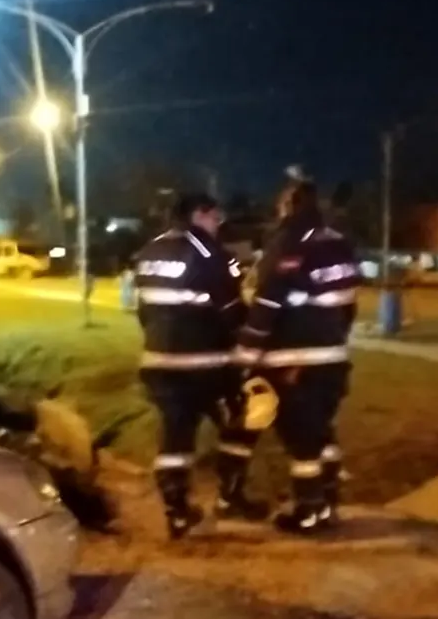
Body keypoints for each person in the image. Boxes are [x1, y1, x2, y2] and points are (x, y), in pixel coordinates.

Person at [135, 193, 269, 539]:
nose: (218, 222)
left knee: (175, 436)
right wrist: (250, 339)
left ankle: (176, 511)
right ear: (198, 214)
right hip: (206, 365)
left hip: (159, 363)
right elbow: (231, 310)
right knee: (245, 419)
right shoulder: (208, 251)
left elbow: (144, 311)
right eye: (214, 215)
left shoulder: (150, 250)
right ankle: (230, 494)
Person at [234, 174, 360, 535]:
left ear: (289, 205)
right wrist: (334, 338)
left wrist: (248, 351)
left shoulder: (288, 241)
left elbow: (268, 301)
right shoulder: (339, 243)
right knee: (321, 431)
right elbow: (349, 302)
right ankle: (329, 500)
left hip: (293, 359)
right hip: (334, 358)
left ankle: (308, 509)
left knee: (299, 438)